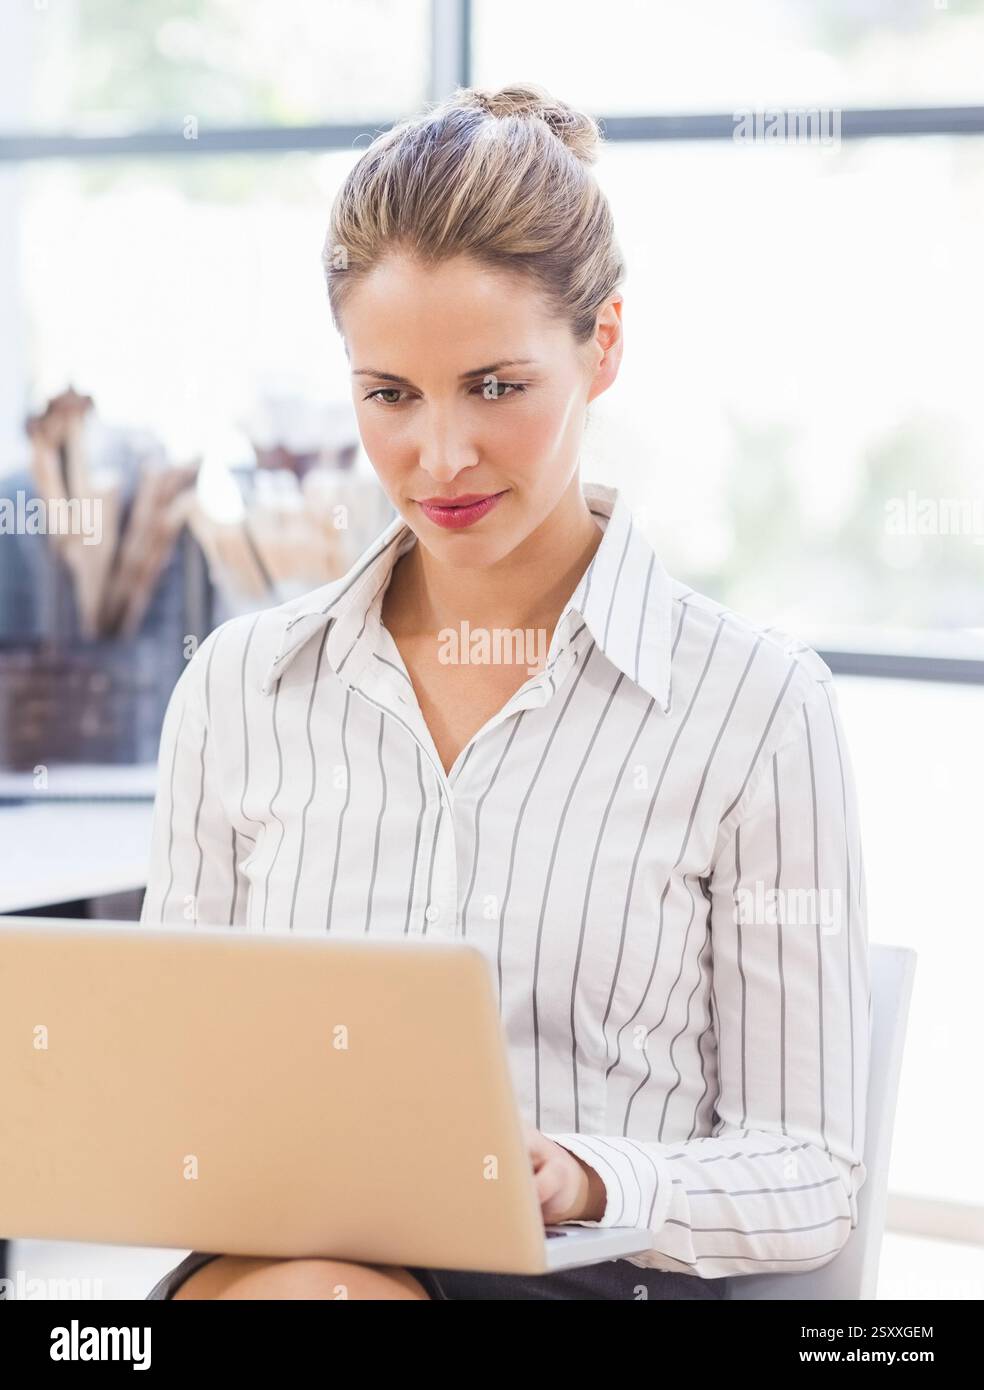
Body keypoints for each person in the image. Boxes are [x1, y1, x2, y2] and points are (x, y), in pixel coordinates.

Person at [143, 82, 869, 1301]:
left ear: (607, 344)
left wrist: (588, 1173)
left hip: (582, 1273)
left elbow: (810, 1172)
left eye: (495, 386)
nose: (438, 458)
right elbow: (168, 1079)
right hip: (284, 1260)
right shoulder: (238, 687)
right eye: (390, 395)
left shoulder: (755, 707)